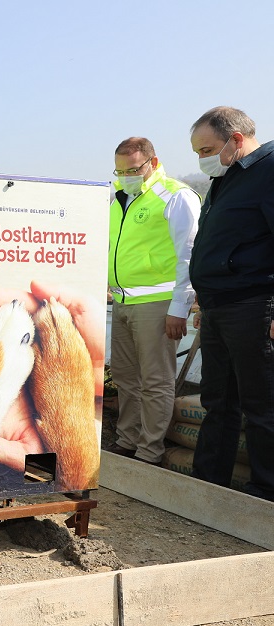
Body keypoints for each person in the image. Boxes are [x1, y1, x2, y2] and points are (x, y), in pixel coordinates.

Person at [188, 106, 274, 501]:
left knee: (262, 404)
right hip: (219, 306)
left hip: (254, 305)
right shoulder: (226, 176)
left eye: (206, 148)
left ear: (236, 140)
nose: (201, 159)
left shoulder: (269, 170)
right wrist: (204, 300)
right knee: (218, 401)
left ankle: (263, 495)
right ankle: (209, 484)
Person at [107, 137, 200, 465]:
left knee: (155, 380)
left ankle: (149, 452)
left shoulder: (176, 196)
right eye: (120, 170)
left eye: (133, 169)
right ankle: (128, 440)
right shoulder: (119, 198)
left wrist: (179, 308)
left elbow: (188, 256)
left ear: (154, 163)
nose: (126, 175)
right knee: (125, 377)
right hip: (121, 302)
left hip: (157, 303)